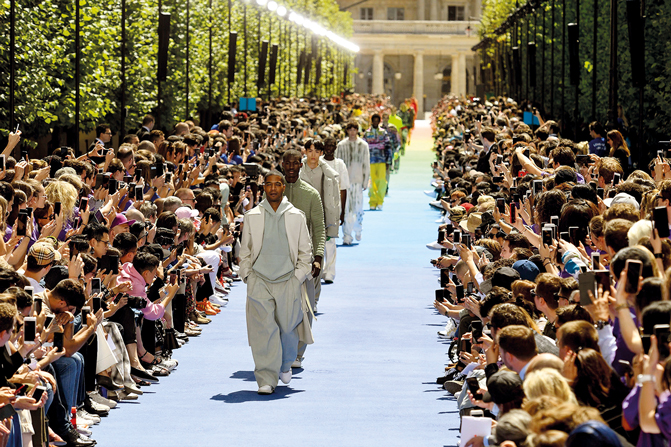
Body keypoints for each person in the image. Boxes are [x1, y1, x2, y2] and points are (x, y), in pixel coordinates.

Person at [238, 170, 312, 395]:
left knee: (288, 328)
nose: (272, 188)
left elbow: (304, 251)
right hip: (259, 279)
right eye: (268, 184)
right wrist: (248, 275)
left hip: (288, 279)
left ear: (283, 187)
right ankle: (266, 377)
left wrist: (298, 276)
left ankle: (285, 362)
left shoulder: (296, 216)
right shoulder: (253, 216)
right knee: (263, 330)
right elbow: (246, 250)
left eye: (277, 184)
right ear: (264, 188)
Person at [281, 149, 325, 367]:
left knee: (304, 307)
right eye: (287, 164)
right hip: (277, 261)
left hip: (304, 261)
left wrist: (318, 257)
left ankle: (298, 352)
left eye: (295, 163)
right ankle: (280, 349)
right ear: (282, 165)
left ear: (301, 165)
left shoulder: (311, 194)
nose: (291, 167)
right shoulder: (272, 191)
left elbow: (319, 229)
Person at [299, 139, 340, 294]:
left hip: (320, 220)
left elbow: (335, 199)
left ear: (322, 153)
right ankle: (302, 296)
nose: (313, 155)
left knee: (318, 259)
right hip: (301, 219)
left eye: (317, 151)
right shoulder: (297, 170)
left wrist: (335, 219)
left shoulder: (328, 173)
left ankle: (314, 298)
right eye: (310, 151)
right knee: (302, 259)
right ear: (305, 151)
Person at [336, 121, 370, 245]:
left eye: (354, 129)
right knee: (346, 209)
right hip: (345, 182)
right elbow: (336, 165)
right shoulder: (341, 145)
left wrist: (366, 181)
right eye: (350, 129)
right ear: (347, 131)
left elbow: (366, 163)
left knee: (358, 208)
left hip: (358, 181)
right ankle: (347, 235)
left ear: (357, 130)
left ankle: (358, 229)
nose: (352, 132)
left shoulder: (363, 145)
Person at [321, 136, 349, 283]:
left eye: (332, 145)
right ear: (323, 147)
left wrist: (343, 211)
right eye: (327, 145)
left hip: (334, 207)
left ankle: (330, 272)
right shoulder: (318, 163)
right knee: (319, 240)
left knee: (331, 240)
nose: (330, 148)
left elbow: (343, 188)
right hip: (318, 205)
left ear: (336, 147)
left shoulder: (340, 164)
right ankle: (320, 269)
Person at [362, 113, 392, 211]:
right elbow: (363, 147)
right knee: (371, 182)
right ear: (371, 121)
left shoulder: (383, 133)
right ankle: (372, 201)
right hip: (370, 161)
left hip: (381, 160)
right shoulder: (367, 133)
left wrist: (389, 160)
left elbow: (388, 146)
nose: (375, 122)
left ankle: (380, 201)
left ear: (379, 122)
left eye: (377, 121)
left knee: (382, 181)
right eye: (373, 121)